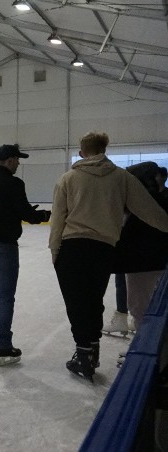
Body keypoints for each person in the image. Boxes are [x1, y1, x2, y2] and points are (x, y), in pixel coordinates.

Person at [50, 133, 168, 382]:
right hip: (104, 249)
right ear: (105, 149)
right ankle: (91, 351)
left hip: (73, 247)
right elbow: (150, 211)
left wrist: (55, 252)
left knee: (77, 303)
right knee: (93, 300)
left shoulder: (68, 178)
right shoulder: (122, 178)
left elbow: (58, 219)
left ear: (82, 153)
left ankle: (84, 354)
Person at [0, 144, 50, 366]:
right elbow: (27, 214)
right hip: (3, 246)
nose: (18, 163)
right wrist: (44, 215)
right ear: (8, 161)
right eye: (17, 160)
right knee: (5, 297)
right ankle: (4, 348)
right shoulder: (14, 183)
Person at [110, 162, 168, 361]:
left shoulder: (145, 205)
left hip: (145, 264)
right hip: (148, 263)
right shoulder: (155, 201)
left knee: (140, 307)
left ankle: (148, 351)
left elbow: (131, 237)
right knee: (142, 307)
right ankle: (149, 347)